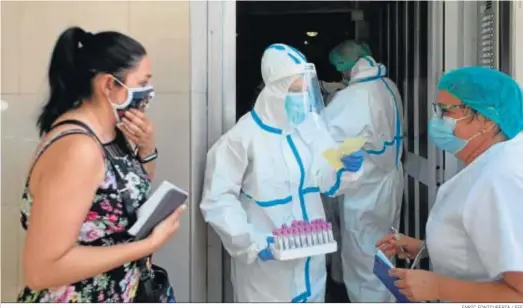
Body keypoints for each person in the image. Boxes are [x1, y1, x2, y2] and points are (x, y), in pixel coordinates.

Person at [17, 26, 185, 303]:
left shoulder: (111, 133)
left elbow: (128, 193)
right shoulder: (78, 149)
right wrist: (147, 245)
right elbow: (41, 271)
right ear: (109, 85)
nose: (148, 93)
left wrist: (147, 148)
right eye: (142, 83)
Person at [199, 43, 365, 302]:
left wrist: (344, 168)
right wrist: (250, 242)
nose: (301, 99)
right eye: (294, 91)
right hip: (268, 271)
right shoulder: (243, 137)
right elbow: (218, 199)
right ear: (275, 90)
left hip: (311, 260)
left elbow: (326, 180)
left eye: (304, 91)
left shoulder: (310, 128)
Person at [377, 66, 523, 303]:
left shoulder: (500, 178)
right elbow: (490, 246)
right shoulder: (489, 163)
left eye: (445, 111)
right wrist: (427, 248)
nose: (436, 121)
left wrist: (438, 288)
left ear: (486, 119)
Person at [323, 40, 404, 303]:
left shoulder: (354, 96)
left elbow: (323, 141)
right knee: (383, 250)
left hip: (365, 188)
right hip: (389, 180)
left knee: (363, 257)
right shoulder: (387, 85)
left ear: (346, 69)